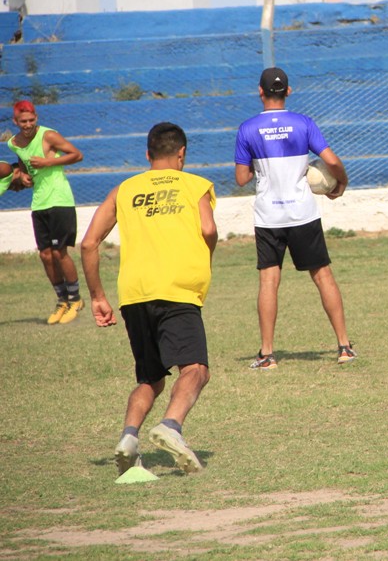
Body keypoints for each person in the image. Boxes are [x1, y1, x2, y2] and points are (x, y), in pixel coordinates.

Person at [80, 122, 217, 475]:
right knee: (196, 369)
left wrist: (97, 296)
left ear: (148, 154)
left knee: (151, 379)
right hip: (176, 289)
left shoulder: (124, 189)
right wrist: (205, 258)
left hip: (134, 295)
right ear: (181, 154)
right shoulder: (195, 185)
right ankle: (171, 426)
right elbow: (208, 229)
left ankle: (129, 438)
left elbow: (89, 243)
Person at [234, 67, 356, 370]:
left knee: (269, 280)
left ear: (260, 92)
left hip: (269, 216)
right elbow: (331, 161)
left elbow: (241, 178)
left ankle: (267, 354)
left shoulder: (247, 129)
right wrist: (341, 183)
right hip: (302, 213)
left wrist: (258, 166)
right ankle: (344, 347)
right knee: (323, 275)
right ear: (288, 91)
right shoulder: (303, 123)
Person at [8, 100, 85, 324]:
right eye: (23, 121)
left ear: (36, 118)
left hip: (59, 200)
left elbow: (77, 155)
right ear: (15, 121)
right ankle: (62, 300)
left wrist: (47, 162)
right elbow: (23, 163)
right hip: (39, 202)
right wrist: (24, 175)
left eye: (31, 120)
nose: (28, 124)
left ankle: (75, 299)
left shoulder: (48, 135)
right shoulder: (14, 143)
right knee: (45, 255)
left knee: (60, 252)